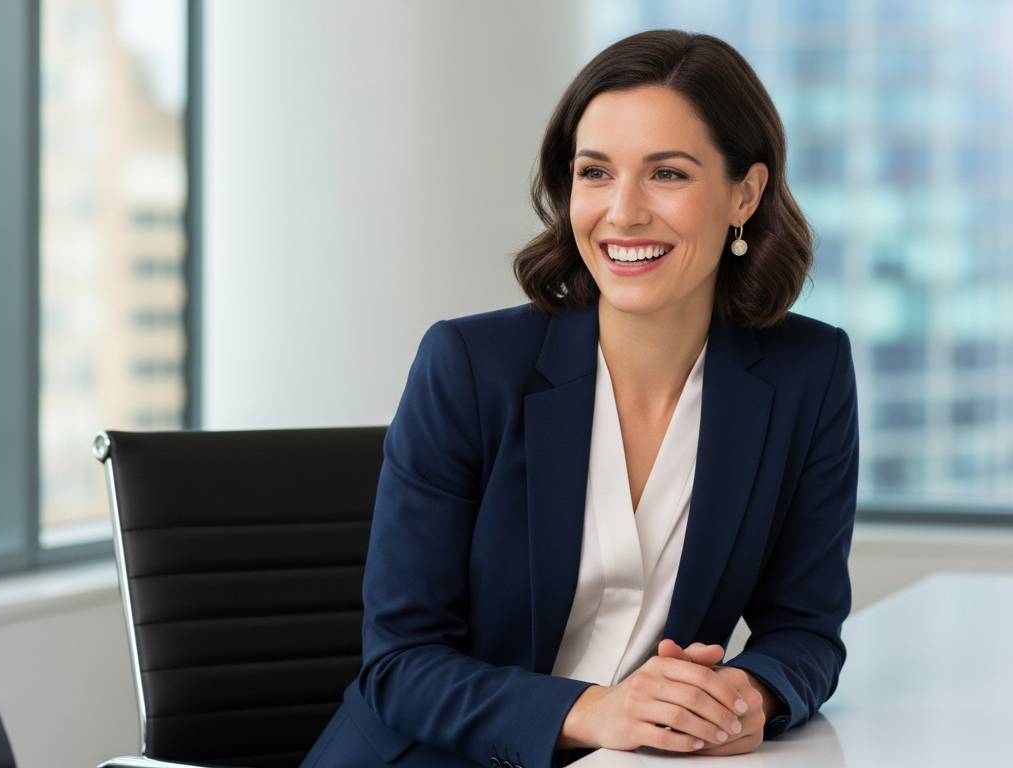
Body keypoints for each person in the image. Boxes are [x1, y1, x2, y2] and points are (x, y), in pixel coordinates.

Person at [301, 29, 858, 768]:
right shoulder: (469, 367)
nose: (622, 213)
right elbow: (401, 664)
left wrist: (751, 694)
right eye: (595, 173)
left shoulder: (807, 373)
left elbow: (806, 628)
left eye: (667, 174)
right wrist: (598, 710)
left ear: (744, 194)